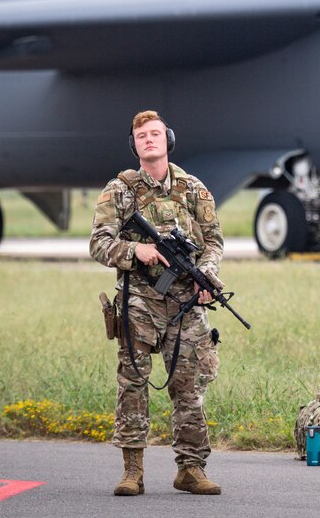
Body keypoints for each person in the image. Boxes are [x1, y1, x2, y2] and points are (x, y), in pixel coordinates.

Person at [90, 110, 224, 496]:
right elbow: (98, 243)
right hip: (139, 302)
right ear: (134, 145)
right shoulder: (119, 190)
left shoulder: (194, 189)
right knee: (133, 382)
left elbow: (214, 240)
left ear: (168, 139)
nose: (149, 140)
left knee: (190, 386)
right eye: (141, 136)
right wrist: (138, 250)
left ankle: (191, 469)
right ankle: (133, 472)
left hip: (185, 302)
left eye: (155, 134)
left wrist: (207, 277)